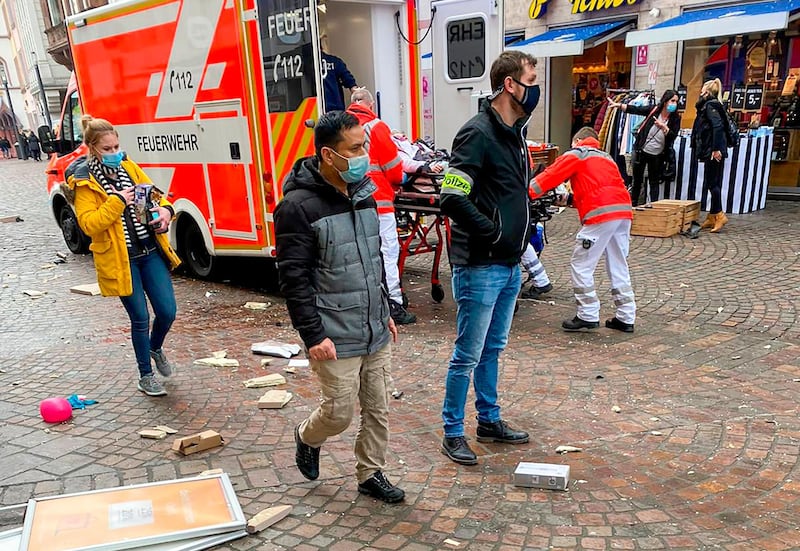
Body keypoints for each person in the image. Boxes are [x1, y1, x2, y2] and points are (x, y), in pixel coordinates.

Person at [274, 110, 404, 504]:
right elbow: (294, 279)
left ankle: (370, 473)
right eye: (356, 148)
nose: (365, 153)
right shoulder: (297, 208)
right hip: (334, 333)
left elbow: (373, 259)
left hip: (373, 327)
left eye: (364, 144)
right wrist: (313, 335)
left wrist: (384, 311)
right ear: (329, 155)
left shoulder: (364, 193)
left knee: (378, 409)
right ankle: (306, 436)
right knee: (339, 414)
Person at [438, 51, 539, 465]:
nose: (535, 87)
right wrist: (495, 231)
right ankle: (452, 430)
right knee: (468, 353)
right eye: (531, 79)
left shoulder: (514, 131)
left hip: (508, 263)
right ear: (510, 85)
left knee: (492, 348)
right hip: (480, 264)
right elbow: (451, 196)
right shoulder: (477, 133)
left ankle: (489, 419)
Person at [66, 116, 181, 396]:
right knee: (140, 318)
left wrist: (165, 212)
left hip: (149, 250)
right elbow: (89, 224)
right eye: (107, 149)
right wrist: (117, 201)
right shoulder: (84, 181)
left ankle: (155, 348)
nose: (114, 153)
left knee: (167, 311)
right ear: (92, 148)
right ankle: (145, 375)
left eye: (116, 146)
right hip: (121, 259)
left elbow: (157, 196)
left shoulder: (128, 166)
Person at [528, 127, 636, 333]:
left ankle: (587, 313)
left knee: (581, 264)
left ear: (577, 140)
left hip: (600, 216)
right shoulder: (606, 158)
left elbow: (549, 176)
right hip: (623, 213)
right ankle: (626, 316)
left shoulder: (578, 153)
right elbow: (600, 189)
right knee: (618, 264)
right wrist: (569, 200)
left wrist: (525, 193)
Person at [347, 88, 416, 325]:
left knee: (361, 252)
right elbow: (394, 168)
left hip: (352, 202)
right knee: (387, 251)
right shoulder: (377, 127)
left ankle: (366, 302)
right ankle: (394, 302)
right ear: (371, 105)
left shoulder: (342, 127)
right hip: (380, 202)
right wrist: (402, 180)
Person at [608, 90, 681, 206]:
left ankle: (654, 206)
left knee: (654, 182)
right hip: (641, 150)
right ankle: (633, 205)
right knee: (637, 180)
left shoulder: (675, 118)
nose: (674, 104)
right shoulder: (654, 110)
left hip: (658, 154)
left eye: (676, 101)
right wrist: (619, 105)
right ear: (666, 101)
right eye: (672, 101)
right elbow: (636, 109)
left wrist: (664, 127)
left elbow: (673, 136)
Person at [691, 78, 729, 233]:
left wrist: (715, 149)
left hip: (713, 150)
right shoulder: (713, 105)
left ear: (706, 91)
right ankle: (712, 215)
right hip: (712, 149)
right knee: (711, 181)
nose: (700, 91)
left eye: (702, 89)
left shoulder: (709, 106)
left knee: (712, 182)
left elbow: (717, 127)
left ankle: (719, 214)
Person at [321, 34, 358, 112]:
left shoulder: (309, 64)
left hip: (317, 108)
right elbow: (350, 82)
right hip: (336, 108)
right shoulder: (335, 61)